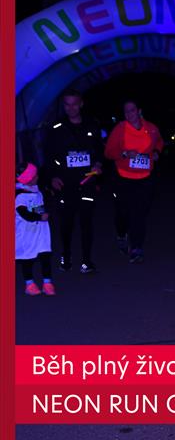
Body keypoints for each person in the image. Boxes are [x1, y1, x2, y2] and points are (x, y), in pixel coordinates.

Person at [43, 89, 104, 274]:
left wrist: (98, 164)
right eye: (67, 105)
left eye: (74, 104)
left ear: (81, 104)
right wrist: (52, 177)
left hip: (87, 182)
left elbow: (99, 150)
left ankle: (86, 261)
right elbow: (48, 155)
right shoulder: (56, 128)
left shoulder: (92, 125)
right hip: (65, 183)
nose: (71, 108)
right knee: (66, 224)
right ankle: (66, 257)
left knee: (86, 223)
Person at [104, 100, 164, 264]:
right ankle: (121, 234)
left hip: (145, 177)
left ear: (139, 111)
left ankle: (136, 247)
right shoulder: (120, 129)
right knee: (123, 212)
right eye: (126, 111)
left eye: (132, 110)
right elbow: (108, 152)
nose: (129, 114)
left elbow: (159, 142)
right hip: (123, 177)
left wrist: (157, 151)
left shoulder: (151, 128)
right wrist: (124, 153)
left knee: (140, 213)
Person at [16, 162, 55, 296]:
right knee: (27, 258)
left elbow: (39, 206)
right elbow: (24, 214)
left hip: (41, 231)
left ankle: (47, 283)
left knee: (45, 256)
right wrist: (39, 217)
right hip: (27, 233)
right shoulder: (20, 196)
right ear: (27, 179)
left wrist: (45, 210)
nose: (37, 177)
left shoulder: (36, 190)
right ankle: (29, 284)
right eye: (34, 176)